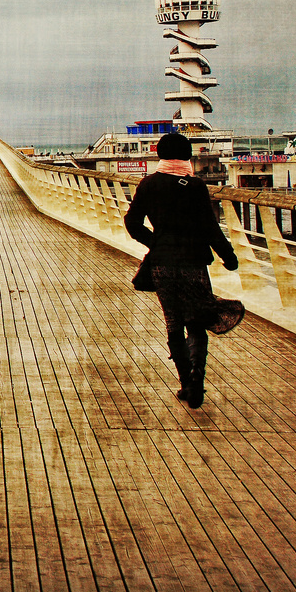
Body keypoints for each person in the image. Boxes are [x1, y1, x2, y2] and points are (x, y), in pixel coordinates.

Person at [124, 132, 245, 408]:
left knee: (173, 322)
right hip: (194, 263)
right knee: (197, 321)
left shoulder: (148, 184)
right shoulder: (196, 186)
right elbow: (210, 228)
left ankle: (185, 383)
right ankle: (198, 378)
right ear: (188, 156)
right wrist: (229, 256)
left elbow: (132, 223)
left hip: (163, 263)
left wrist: (155, 241)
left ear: (160, 155)